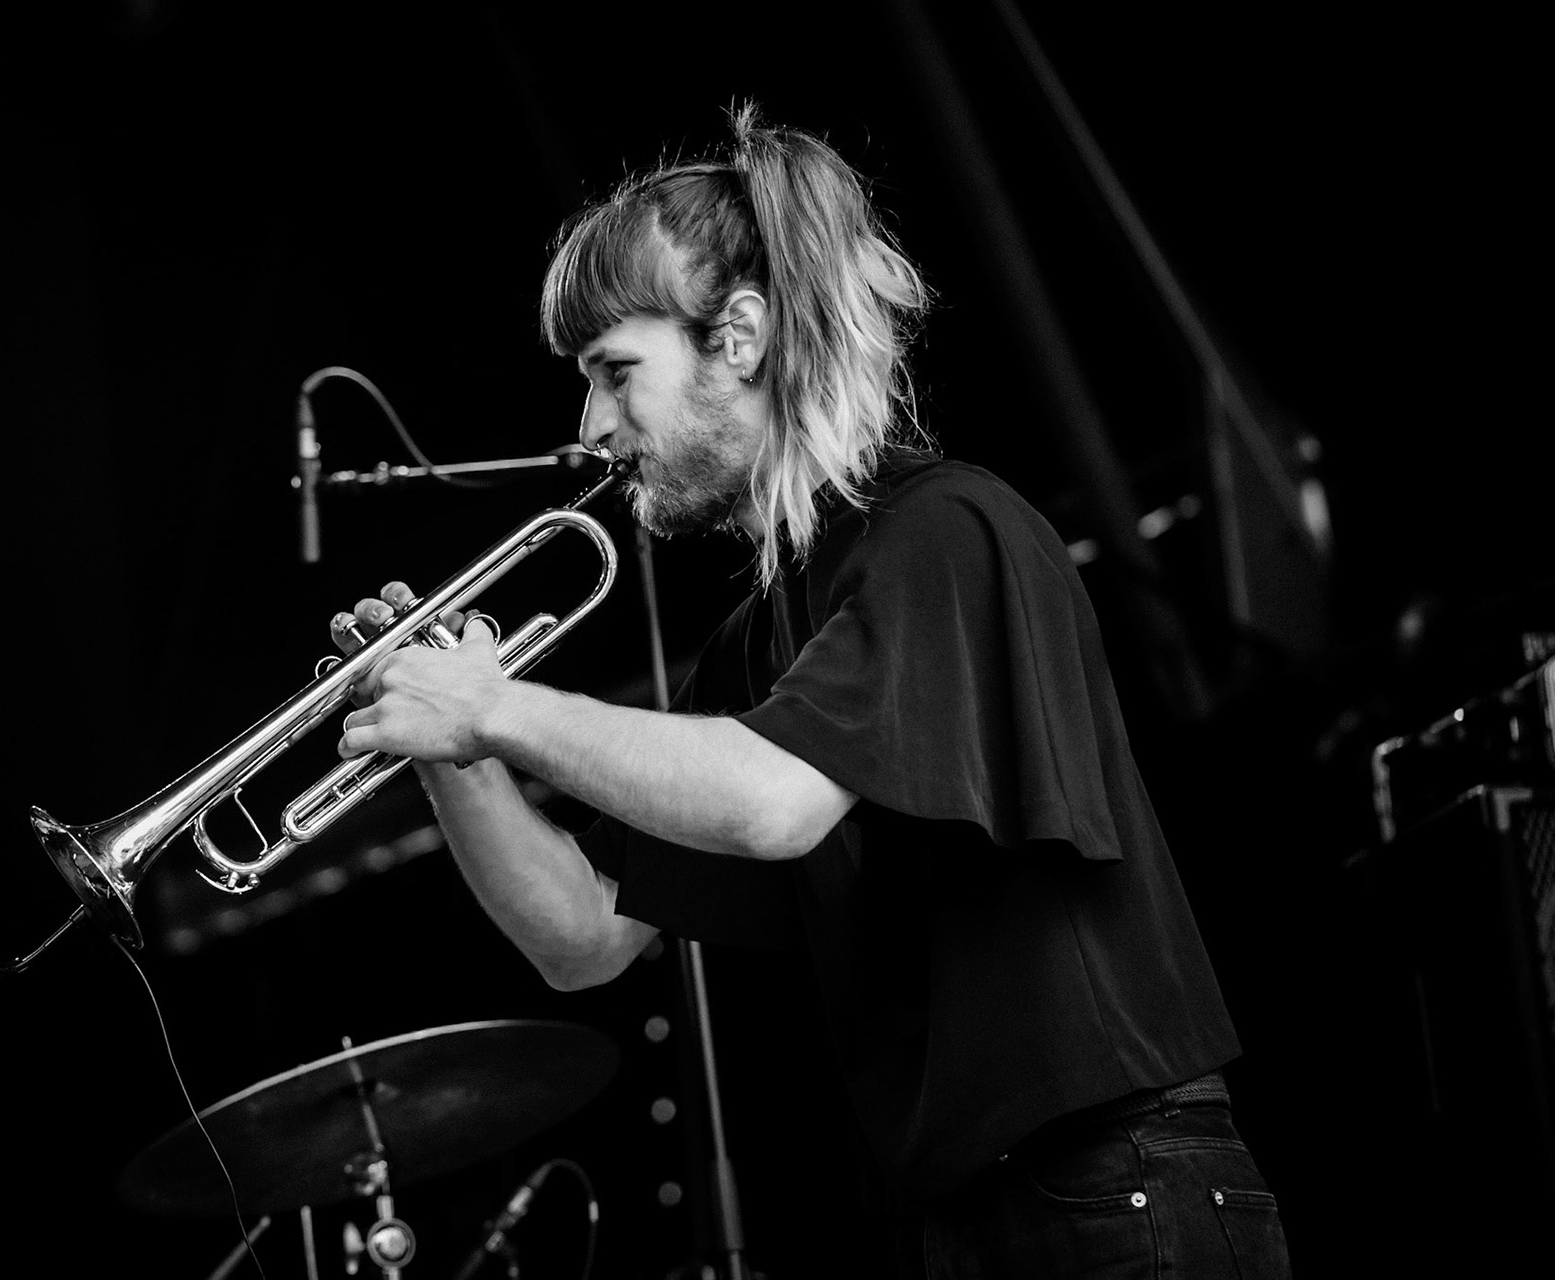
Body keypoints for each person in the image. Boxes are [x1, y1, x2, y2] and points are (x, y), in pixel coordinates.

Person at [328, 104, 1291, 1277]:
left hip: (1115, 1184)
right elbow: (583, 937)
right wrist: (448, 748)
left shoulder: (941, 528)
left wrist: (493, 703)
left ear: (737, 336)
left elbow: (775, 802)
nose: (590, 428)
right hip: (969, 1213)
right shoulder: (761, 637)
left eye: (614, 372)